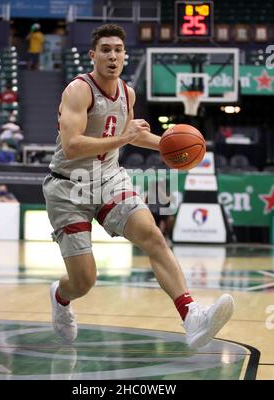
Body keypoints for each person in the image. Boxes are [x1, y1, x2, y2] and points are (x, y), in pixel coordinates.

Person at [43, 24, 234, 349]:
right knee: (84, 281)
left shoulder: (127, 93)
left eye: (118, 49)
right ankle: (61, 297)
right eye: (105, 49)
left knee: (154, 236)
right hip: (68, 188)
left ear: (125, 55)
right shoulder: (78, 90)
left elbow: (134, 134)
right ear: (93, 55)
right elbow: (72, 144)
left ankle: (192, 317)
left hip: (108, 178)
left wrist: (171, 146)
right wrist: (123, 138)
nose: (112, 55)